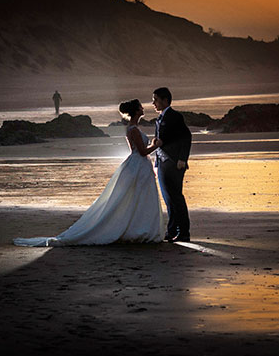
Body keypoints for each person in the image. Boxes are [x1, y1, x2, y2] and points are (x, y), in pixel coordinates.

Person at [13, 99, 163, 246]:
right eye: (141, 107)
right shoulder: (133, 129)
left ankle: (138, 228)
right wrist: (156, 146)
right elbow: (142, 152)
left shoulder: (133, 128)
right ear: (136, 110)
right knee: (137, 196)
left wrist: (151, 145)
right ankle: (138, 229)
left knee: (137, 197)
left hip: (138, 165)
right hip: (138, 164)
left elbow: (137, 150)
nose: (143, 109)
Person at [152, 87, 192, 242]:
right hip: (162, 163)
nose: (153, 103)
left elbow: (186, 137)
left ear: (165, 100)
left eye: (156, 99)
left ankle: (184, 232)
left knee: (176, 198)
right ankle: (171, 230)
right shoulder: (159, 118)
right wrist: (156, 163)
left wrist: (183, 159)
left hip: (175, 163)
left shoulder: (175, 116)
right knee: (168, 199)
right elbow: (159, 142)